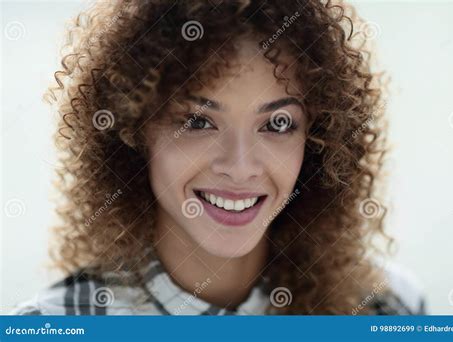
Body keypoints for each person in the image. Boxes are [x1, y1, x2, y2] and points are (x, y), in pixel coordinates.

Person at [12, 0, 425, 315]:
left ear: (316, 139)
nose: (241, 166)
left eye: (278, 123)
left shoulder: (389, 309)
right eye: (196, 122)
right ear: (134, 130)